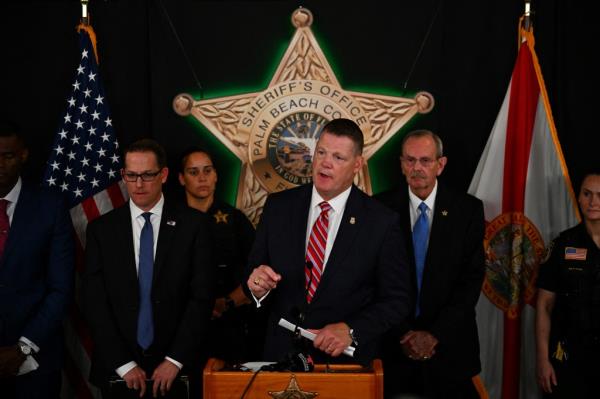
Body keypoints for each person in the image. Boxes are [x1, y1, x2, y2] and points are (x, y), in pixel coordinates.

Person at [245, 118, 410, 365]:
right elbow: (253, 273)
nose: (325, 163)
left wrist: (352, 330)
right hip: (281, 358)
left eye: (338, 157)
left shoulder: (381, 222)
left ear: (357, 164)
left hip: (344, 366)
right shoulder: (279, 207)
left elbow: (397, 300)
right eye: (321, 152)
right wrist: (257, 287)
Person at [82, 139, 213, 397]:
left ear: (163, 175)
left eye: (147, 175)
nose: (139, 184)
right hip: (119, 371)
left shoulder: (194, 225)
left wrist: (175, 360)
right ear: (123, 175)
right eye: (131, 175)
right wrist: (124, 365)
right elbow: (93, 301)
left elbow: (202, 298)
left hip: (178, 371)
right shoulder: (101, 230)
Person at [376, 129, 485, 398]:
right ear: (401, 165)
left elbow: (470, 281)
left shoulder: (468, 210)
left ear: (441, 164)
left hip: (450, 348)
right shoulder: (379, 209)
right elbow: (375, 280)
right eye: (410, 161)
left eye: (425, 161)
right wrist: (405, 335)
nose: (417, 168)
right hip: (393, 347)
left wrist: (434, 335)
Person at [0, 122, 74, 397]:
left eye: (7, 156)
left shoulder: (50, 206)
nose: (0, 164)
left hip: (35, 363)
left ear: (23, 155)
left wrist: (23, 347)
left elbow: (60, 289)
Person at [178, 147, 261, 363]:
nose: (202, 178)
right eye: (193, 172)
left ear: (216, 176)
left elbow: (258, 271)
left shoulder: (235, 221)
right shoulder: (170, 221)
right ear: (181, 178)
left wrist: (227, 302)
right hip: (180, 326)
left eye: (207, 171)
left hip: (229, 324)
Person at [535, 170, 600, 398]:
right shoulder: (562, 245)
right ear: (579, 197)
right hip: (569, 358)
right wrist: (543, 360)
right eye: (587, 194)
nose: (593, 202)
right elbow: (544, 306)